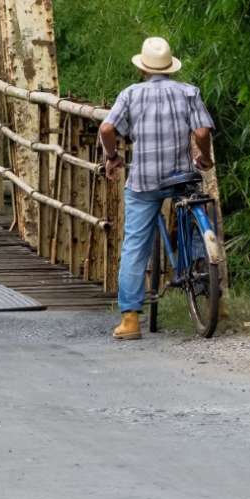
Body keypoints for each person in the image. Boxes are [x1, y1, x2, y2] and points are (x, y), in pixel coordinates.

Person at [98, 35, 215, 341]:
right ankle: (208, 287)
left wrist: (112, 156)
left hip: (145, 181)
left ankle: (130, 320)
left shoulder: (131, 94)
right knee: (196, 219)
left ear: (143, 69)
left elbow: (107, 128)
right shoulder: (189, 92)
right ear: (171, 68)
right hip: (181, 177)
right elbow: (202, 131)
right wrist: (204, 156)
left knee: (135, 244)